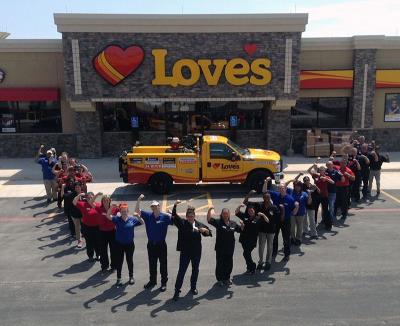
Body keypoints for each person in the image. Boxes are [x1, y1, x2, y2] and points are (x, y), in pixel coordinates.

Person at [171, 201, 211, 301]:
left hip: (196, 252)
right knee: (181, 271)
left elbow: (209, 232)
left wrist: (205, 231)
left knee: (195, 270)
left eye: (192, 216)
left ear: (194, 216)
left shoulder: (198, 224)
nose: (190, 218)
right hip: (185, 253)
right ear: (186, 216)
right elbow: (174, 215)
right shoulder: (182, 223)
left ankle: (193, 287)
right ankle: (177, 290)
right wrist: (175, 205)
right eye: (188, 216)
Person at [135, 194, 173, 292]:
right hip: (151, 244)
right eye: (152, 206)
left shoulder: (165, 217)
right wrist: (139, 199)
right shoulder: (148, 216)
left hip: (161, 244)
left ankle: (164, 282)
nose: (154, 207)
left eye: (156, 206)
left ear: (159, 206)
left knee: (163, 264)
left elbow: (175, 221)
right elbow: (137, 211)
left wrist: (171, 213)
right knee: (152, 264)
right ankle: (152, 281)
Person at [106, 203, 144, 287]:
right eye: (122, 211)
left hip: (129, 244)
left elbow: (142, 222)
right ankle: (119, 278)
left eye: (125, 211)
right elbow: (108, 216)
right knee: (119, 261)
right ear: (120, 211)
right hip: (119, 244)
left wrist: (138, 216)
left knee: (129, 260)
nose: (124, 213)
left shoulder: (132, 219)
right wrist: (111, 207)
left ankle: (131, 277)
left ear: (128, 211)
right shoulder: (117, 219)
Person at [243, 190, 282, 270]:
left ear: (270, 198)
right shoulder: (259, 205)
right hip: (262, 230)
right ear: (263, 198)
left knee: (270, 247)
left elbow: (277, 219)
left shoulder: (274, 207)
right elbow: (246, 203)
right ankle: (260, 262)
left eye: (268, 197)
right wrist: (249, 195)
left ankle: (268, 262)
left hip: (271, 231)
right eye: (265, 197)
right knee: (261, 247)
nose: (266, 199)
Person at [263, 177, 298, 262]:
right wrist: (266, 182)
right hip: (276, 220)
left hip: (286, 221)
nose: (281, 189)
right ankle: (274, 253)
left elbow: (294, 212)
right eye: (280, 188)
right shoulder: (275, 195)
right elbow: (264, 191)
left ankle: (287, 254)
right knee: (274, 237)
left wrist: (297, 206)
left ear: (286, 189)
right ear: (278, 189)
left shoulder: (290, 199)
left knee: (286, 238)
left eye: (283, 188)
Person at [207, 206, 241, 286]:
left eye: (227, 214)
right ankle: (220, 279)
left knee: (229, 264)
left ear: (229, 215)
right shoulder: (218, 222)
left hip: (230, 248)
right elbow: (209, 220)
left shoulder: (233, 223)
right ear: (221, 215)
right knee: (220, 264)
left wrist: (242, 226)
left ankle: (227, 278)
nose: (225, 215)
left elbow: (240, 230)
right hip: (220, 248)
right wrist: (209, 210)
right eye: (224, 214)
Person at [235, 203, 269, 274]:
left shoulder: (258, 218)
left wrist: (263, 215)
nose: (251, 212)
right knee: (247, 254)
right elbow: (237, 212)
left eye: (252, 210)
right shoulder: (245, 216)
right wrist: (239, 206)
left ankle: (252, 267)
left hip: (252, 240)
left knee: (246, 253)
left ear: (254, 211)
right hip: (243, 239)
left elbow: (267, 221)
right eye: (249, 211)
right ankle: (249, 268)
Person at [73, 191, 101, 261]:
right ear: (86, 198)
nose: (90, 198)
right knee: (89, 243)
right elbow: (74, 202)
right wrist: (79, 195)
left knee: (97, 242)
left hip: (97, 227)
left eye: (91, 197)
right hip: (87, 227)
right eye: (88, 197)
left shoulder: (98, 205)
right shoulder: (83, 204)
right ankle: (90, 256)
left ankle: (98, 255)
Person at [94, 195, 117, 273]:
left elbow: (123, 213)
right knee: (103, 250)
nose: (106, 202)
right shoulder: (99, 208)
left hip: (112, 231)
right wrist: (96, 195)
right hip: (102, 232)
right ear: (102, 201)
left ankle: (113, 266)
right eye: (104, 200)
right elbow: (90, 203)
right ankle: (104, 266)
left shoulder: (114, 208)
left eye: (107, 200)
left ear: (110, 201)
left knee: (113, 250)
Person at [308, 165, 334, 229]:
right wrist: (313, 165)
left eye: (323, 170)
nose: (322, 171)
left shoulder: (326, 177)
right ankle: (314, 223)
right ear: (319, 171)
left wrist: (326, 179)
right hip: (316, 195)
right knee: (315, 209)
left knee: (325, 210)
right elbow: (308, 171)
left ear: (325, 171)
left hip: (324, 196)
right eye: (320, 170)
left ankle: (328, 225)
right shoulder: (316, 176)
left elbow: (333, 182)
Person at [286, 180, 309, 246]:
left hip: (301, 213)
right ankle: (292, 238)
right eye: (296, 186)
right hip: (292, 213)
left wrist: (310, 194)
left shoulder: (304, 193)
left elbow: (308, 202)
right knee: (292, 227)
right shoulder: (291, 191)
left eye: (298, 186)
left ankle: (298, 239)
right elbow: (284, 185)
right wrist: (290, 181)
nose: (297, 187)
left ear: (301, 187)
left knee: (300, 227)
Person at [325, 161, 344, 226]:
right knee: (324, 207)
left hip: (332, 192)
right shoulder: (324, 172)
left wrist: (342, 175)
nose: (329, 166)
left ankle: (331, 219)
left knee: (331, 206)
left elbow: (342, 180)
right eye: (328, 165)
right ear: (326, 166)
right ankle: (324, 219)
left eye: (330, 165)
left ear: (333, 165)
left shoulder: (336, 172)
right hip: (324, 192)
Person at [302, 176, 319, 240]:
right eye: (305, 180)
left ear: (309, 180)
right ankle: (305, 231)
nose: (306, 181)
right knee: (304, 220)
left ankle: (314, 234)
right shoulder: (302, 186)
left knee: (312, 220)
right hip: (304, 205)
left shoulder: (313, 186)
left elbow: (319, 192)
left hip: (312, 206)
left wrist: (316, 186)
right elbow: (295, 181)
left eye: (307, 180)